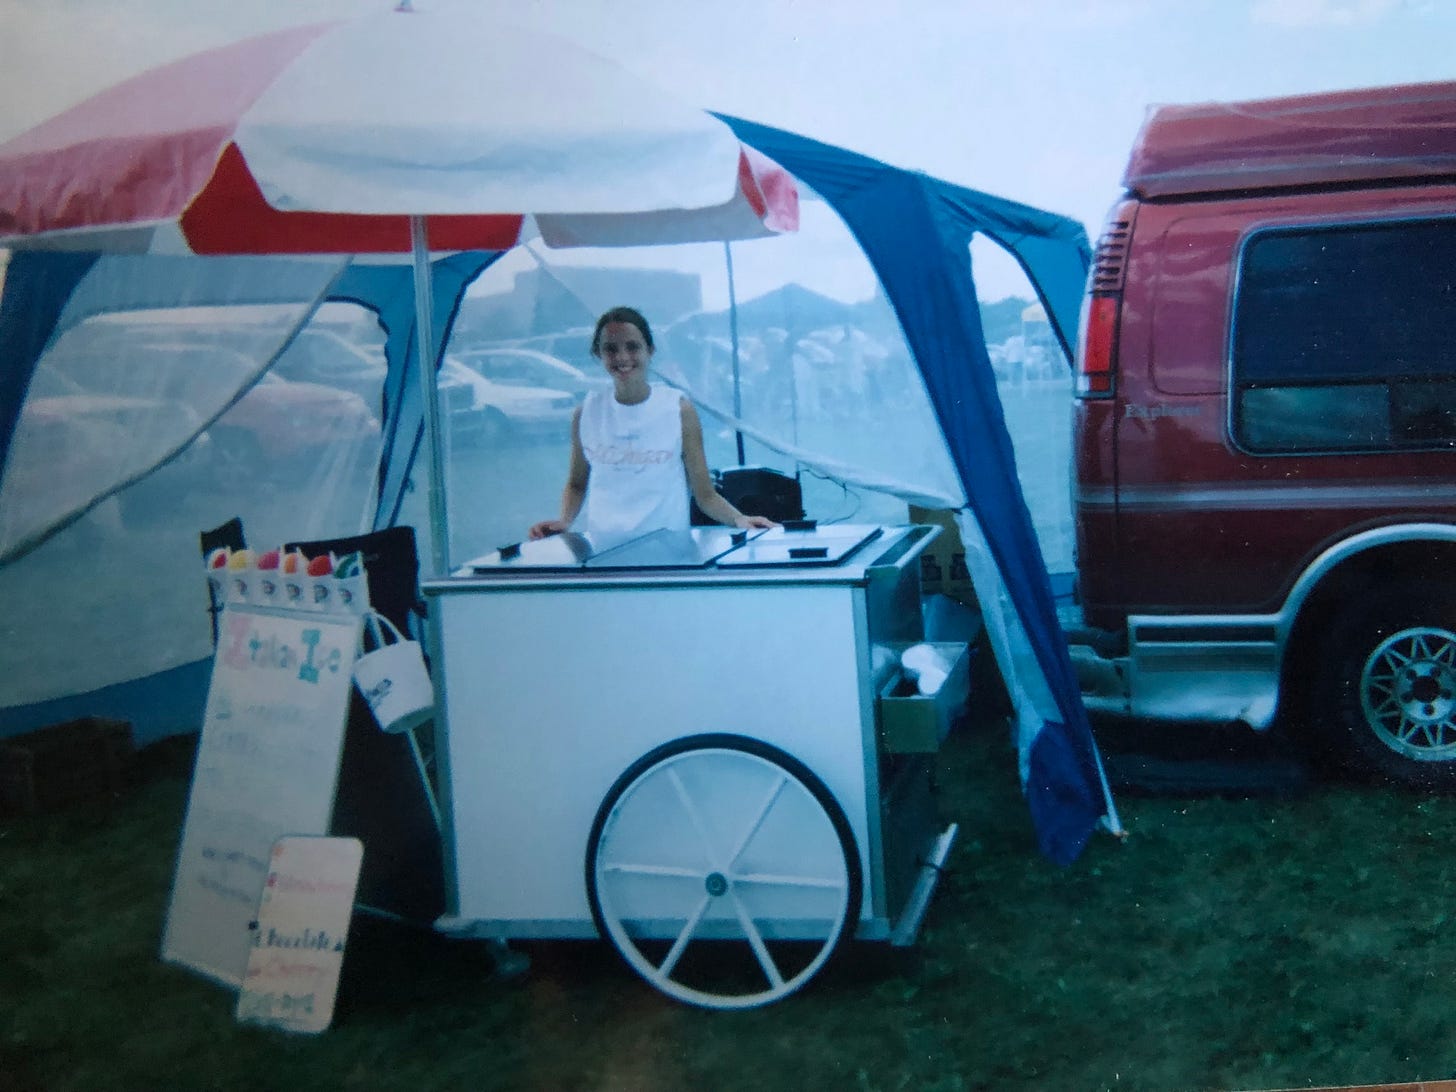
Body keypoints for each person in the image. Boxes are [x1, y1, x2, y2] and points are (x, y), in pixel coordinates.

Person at [529, 306, 778, 540]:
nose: (622, 357)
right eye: (611, 349)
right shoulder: (586, 413)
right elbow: (576, 484)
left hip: (667, 556)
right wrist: (564, 520)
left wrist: (740, 519)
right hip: (604, 556)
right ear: (599, 354)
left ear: (650, 350)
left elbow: (705, 495)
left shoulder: (678, 410)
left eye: (632, 347)